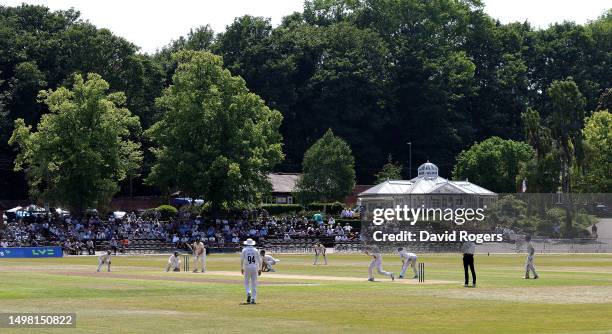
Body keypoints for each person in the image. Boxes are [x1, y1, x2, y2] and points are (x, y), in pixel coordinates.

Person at [240, 238, 261, 304]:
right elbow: (259, 260)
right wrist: (260, 269)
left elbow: (242, 260)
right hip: (254, 267)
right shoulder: (256, 250)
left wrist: (242, 268)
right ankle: (253, 299)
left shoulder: (244, 250)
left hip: (247, 267)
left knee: (246, 282)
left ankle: (248, 292)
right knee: (254, 283)